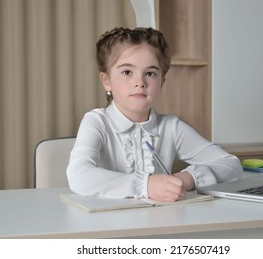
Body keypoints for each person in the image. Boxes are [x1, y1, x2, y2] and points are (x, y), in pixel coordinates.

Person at [66, 27, 242, 202]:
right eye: (127, 72)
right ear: (106, 81)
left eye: (150, 73)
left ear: (162, 82)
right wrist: (146, 185)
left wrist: (187, 178)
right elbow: (79, 175)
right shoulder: (96, 121)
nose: (140, 83)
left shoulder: (171, 127)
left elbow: (231, 164)